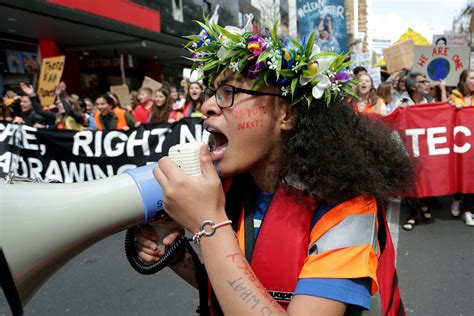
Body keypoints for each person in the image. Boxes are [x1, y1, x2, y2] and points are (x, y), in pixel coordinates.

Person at [133, 18, 414, 315]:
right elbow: (235, 288)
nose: (207, 106)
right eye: (212, 93)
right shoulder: (233, 188)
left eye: (229, 93)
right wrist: (177, 258)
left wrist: (209, 224)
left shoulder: (348, 205)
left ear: (286, 115)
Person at [448, 69, 474, 226]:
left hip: (473, 146)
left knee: (472, 177)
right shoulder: (454, 96)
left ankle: (468, 210)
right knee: (459, 173)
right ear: (464, 80)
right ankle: (456, 199)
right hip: (458, 145)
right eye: (472, 78)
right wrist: (451, 106)